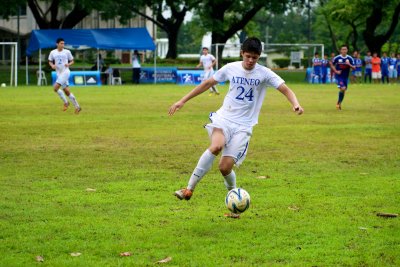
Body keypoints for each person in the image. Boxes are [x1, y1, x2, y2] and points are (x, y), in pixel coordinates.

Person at [168, 37, 304, 218]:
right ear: (242, 53)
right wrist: (182, 101)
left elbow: (285, 89)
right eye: (248, 56)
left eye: (254, 58)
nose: (250, 61)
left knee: (225, 168)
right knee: (215, 146)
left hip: (244, 126)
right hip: (223, 118)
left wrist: (295, 104)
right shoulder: (230, 68)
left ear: (259, 57)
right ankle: (188, 188)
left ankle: (234, 197)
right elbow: (208, 83)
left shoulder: (264, 73)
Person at [48, 38, 81, 114]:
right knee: (67, 91)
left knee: (55, 88)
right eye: (61, 43)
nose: (63, 45)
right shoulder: (53, 52)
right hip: (59, 73)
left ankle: (66, 102)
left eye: (63, 43)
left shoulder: (67, 52)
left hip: (66, 72)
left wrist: (68, 64)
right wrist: (52, 65)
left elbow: (72, 61)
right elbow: (50, 61)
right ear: (57, 44)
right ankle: (77, 107)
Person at [329, 44, 355, 110]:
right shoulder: (337, 58)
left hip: (345, 77)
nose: (344, 51)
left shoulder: (350, 58)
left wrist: (349, 64)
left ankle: (339, 103)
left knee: (343, 90)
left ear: (347, 50)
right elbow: (331, 64)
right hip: (338, 76)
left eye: (345, 49)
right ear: (340, 50)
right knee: (343, 88)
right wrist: (336, 71)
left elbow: (354, 67)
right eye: (343, 49)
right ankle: (338, 103)